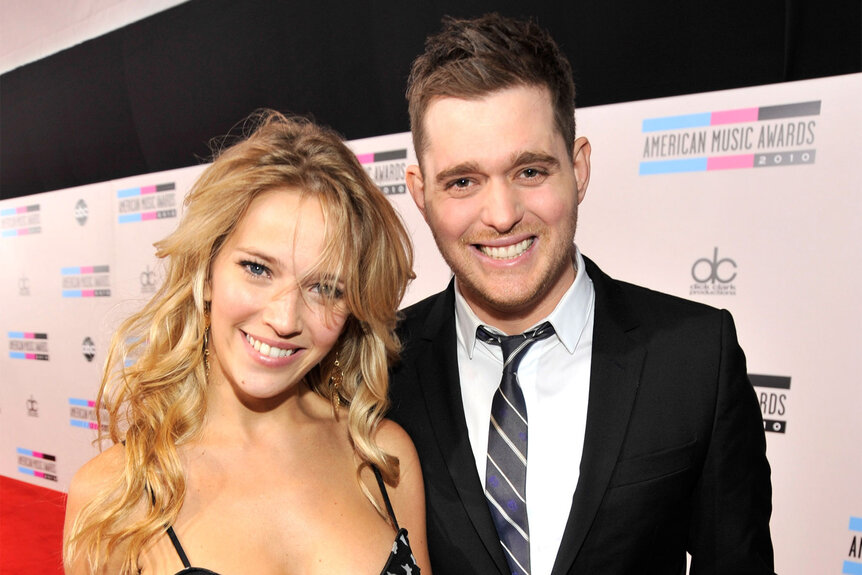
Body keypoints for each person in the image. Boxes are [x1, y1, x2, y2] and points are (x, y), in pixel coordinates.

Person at [387, 13, 775, 575]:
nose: (501, 216)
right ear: (420, 193)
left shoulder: (695, 358)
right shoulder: (375, 367)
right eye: (463, 182)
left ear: (579, 167)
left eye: (530, 171)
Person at [63, 110, 431, 575]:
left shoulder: (384, 457)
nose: (283, 319)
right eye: (258, 268)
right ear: (208, 269)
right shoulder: (115, 493)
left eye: (325, 288)